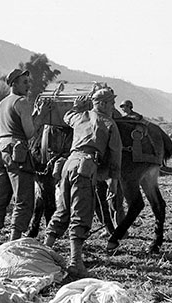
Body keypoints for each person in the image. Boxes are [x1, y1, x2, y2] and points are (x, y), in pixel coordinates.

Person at [42, 88, 122, 279]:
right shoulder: (108, 123)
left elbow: (67, 116)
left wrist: (76, 107)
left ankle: (44, 251)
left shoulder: (79, 117)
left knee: (62, 209)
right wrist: (114, 181)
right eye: (111, 103)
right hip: (85, 168)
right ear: (102, 103)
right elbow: (115, 156)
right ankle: (75, 262)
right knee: (81, 213)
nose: (113, 107)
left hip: (68, 165)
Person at [0, 68, 39, 256]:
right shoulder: (22, 102)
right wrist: (39, 117)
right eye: (24, 82)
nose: (28, 85)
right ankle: (12, 246)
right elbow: (29, 133)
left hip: (1, 150)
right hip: (17, 152)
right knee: (23, 199)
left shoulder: (2, 104)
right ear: (14, 84)